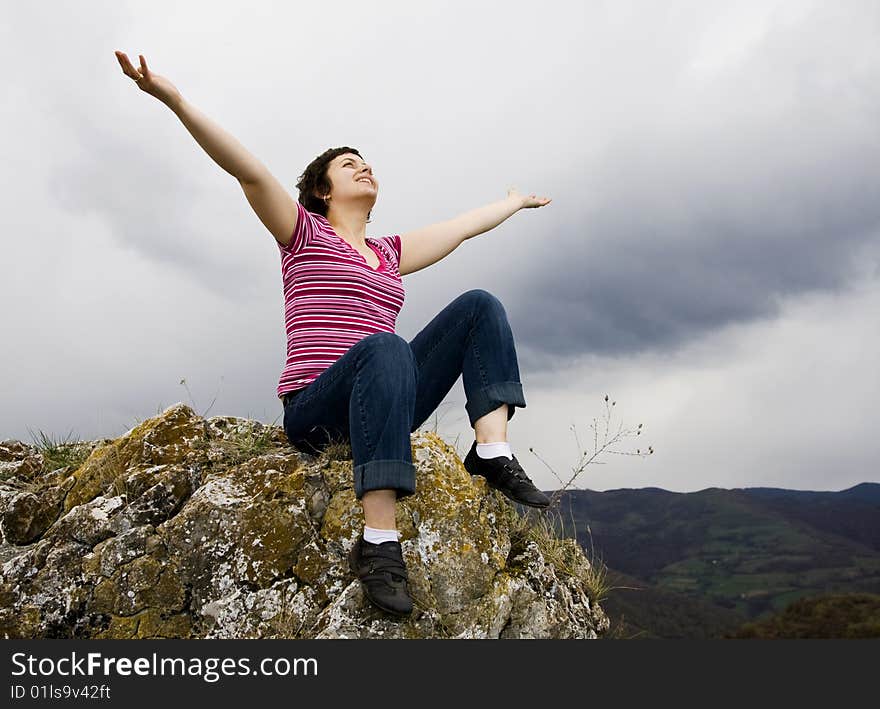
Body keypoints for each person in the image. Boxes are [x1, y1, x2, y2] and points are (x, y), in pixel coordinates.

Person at [115, 51, 554, 618]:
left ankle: (491, 451)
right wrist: (175, 100)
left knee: (479, 306)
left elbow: (462, 229)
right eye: (350, 165)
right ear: (323, 190)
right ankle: (378, 545)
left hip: (385, 403)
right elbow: (247, 171)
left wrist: (512, 203)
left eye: (368, 162)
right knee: (385, 346)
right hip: (317, 407)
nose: (364, 167)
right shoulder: (302, 233)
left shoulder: (390, 253)